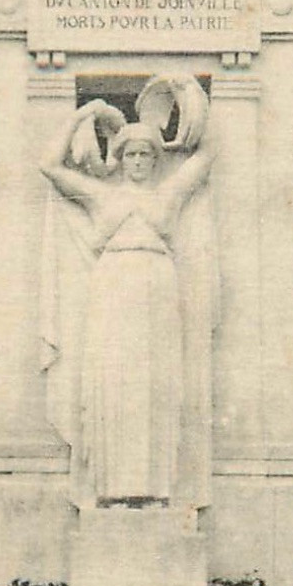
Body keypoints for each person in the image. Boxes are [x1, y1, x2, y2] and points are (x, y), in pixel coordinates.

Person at [39, 91, 217, 507]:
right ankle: (111, 488)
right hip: (113, 284)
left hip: (157, 284)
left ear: (156, 159)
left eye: (146, 155)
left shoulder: (170, 193)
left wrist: (185, 95)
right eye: (131, 154)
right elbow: (48, 165)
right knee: (113, 381)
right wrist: (86, 113)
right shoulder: (100, 195)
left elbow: (208, 153)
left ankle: (156, 489)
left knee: (154, 383)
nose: (138, 161)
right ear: (119, 158)